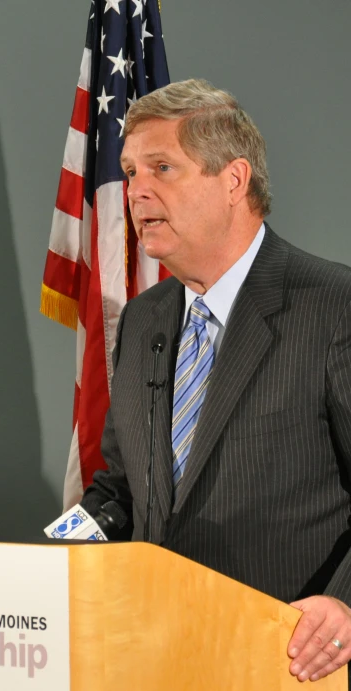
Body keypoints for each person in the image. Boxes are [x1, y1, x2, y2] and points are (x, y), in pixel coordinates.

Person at [80, 78, 351, 684]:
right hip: (155, 655)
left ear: (233, 181)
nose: (135, 190)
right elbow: (119, 492)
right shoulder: (145, 318)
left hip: (288, 662)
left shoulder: (335, 308)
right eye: (129, 171)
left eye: (161, 167)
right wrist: (53, 562)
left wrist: (347, 606)